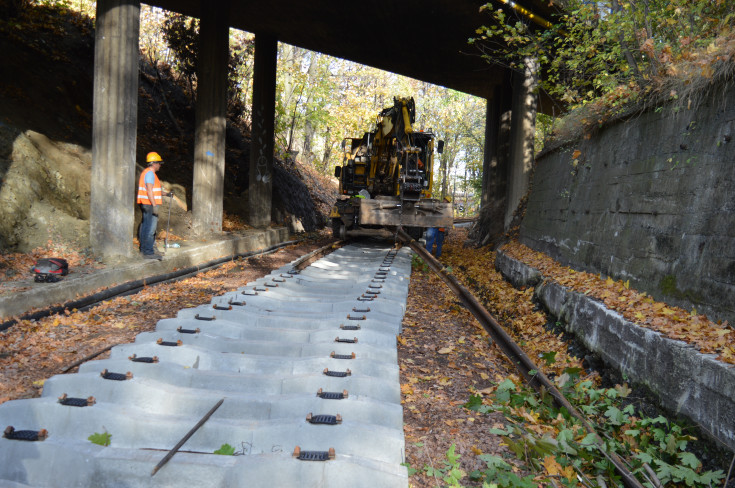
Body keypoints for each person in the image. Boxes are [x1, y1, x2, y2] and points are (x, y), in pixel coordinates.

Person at [137, 151, 170, 260]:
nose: (160, 165)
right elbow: (150, 190)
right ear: (154, 163)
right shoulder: (150, 173)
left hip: (146, 203)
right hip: (150, 204)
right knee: (150, 229)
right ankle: (148, 252)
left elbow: (153, 190)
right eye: (159, 163)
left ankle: (144, 250)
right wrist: (155, 205)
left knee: (145, 226)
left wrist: (166, 194)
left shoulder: (147, 173)